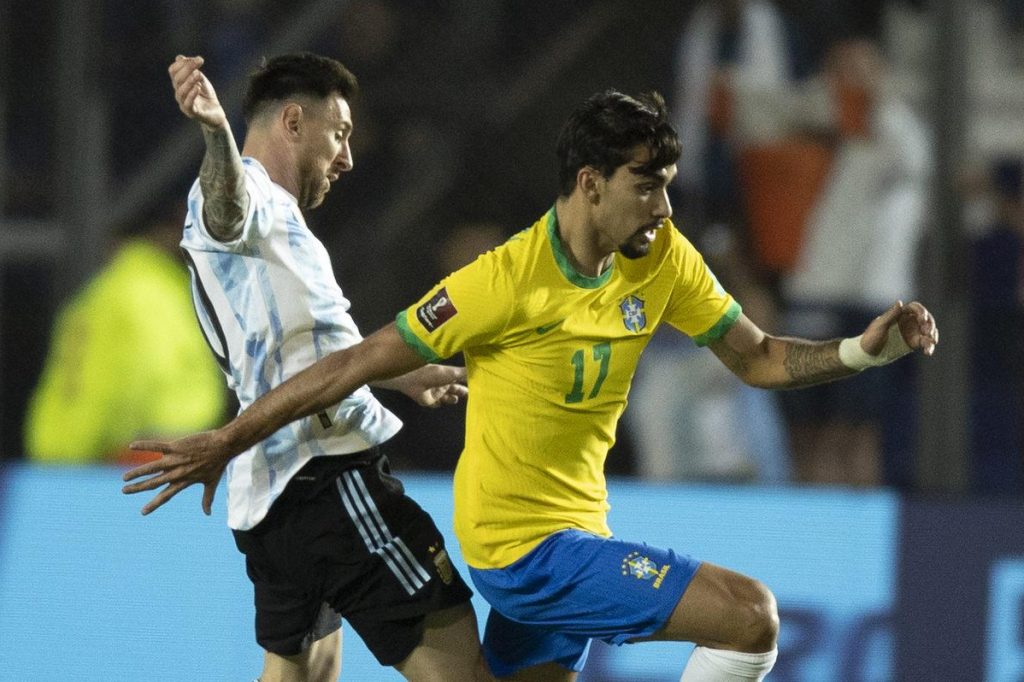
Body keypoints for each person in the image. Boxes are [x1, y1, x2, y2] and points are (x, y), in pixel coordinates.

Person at [123, 89, 939, 681]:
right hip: (523, 553)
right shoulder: (503, 281)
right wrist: (228, 440)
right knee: (749, 616)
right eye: (645, 185)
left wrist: (861, 353)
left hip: (576, 530)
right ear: (590, 183)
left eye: (666, 183)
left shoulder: (662, 257)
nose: (663, 206)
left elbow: (757, 357)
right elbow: (349, 364)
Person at [145, 54, 491, 682]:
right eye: (340, 134)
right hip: (330, 477)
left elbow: (298, 351)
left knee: (307, 673)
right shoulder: (246, 196)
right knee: (460, 667)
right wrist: (216, 133)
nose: (347, 158)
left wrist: (399, 376)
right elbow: (225, 205)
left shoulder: (279, 227)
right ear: (294, 122)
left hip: (277, 496)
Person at [24, 206, 227, 466]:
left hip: (125, 461)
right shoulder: (150, 292)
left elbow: (89, 390)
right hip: (138, 460)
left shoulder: (124, 290)